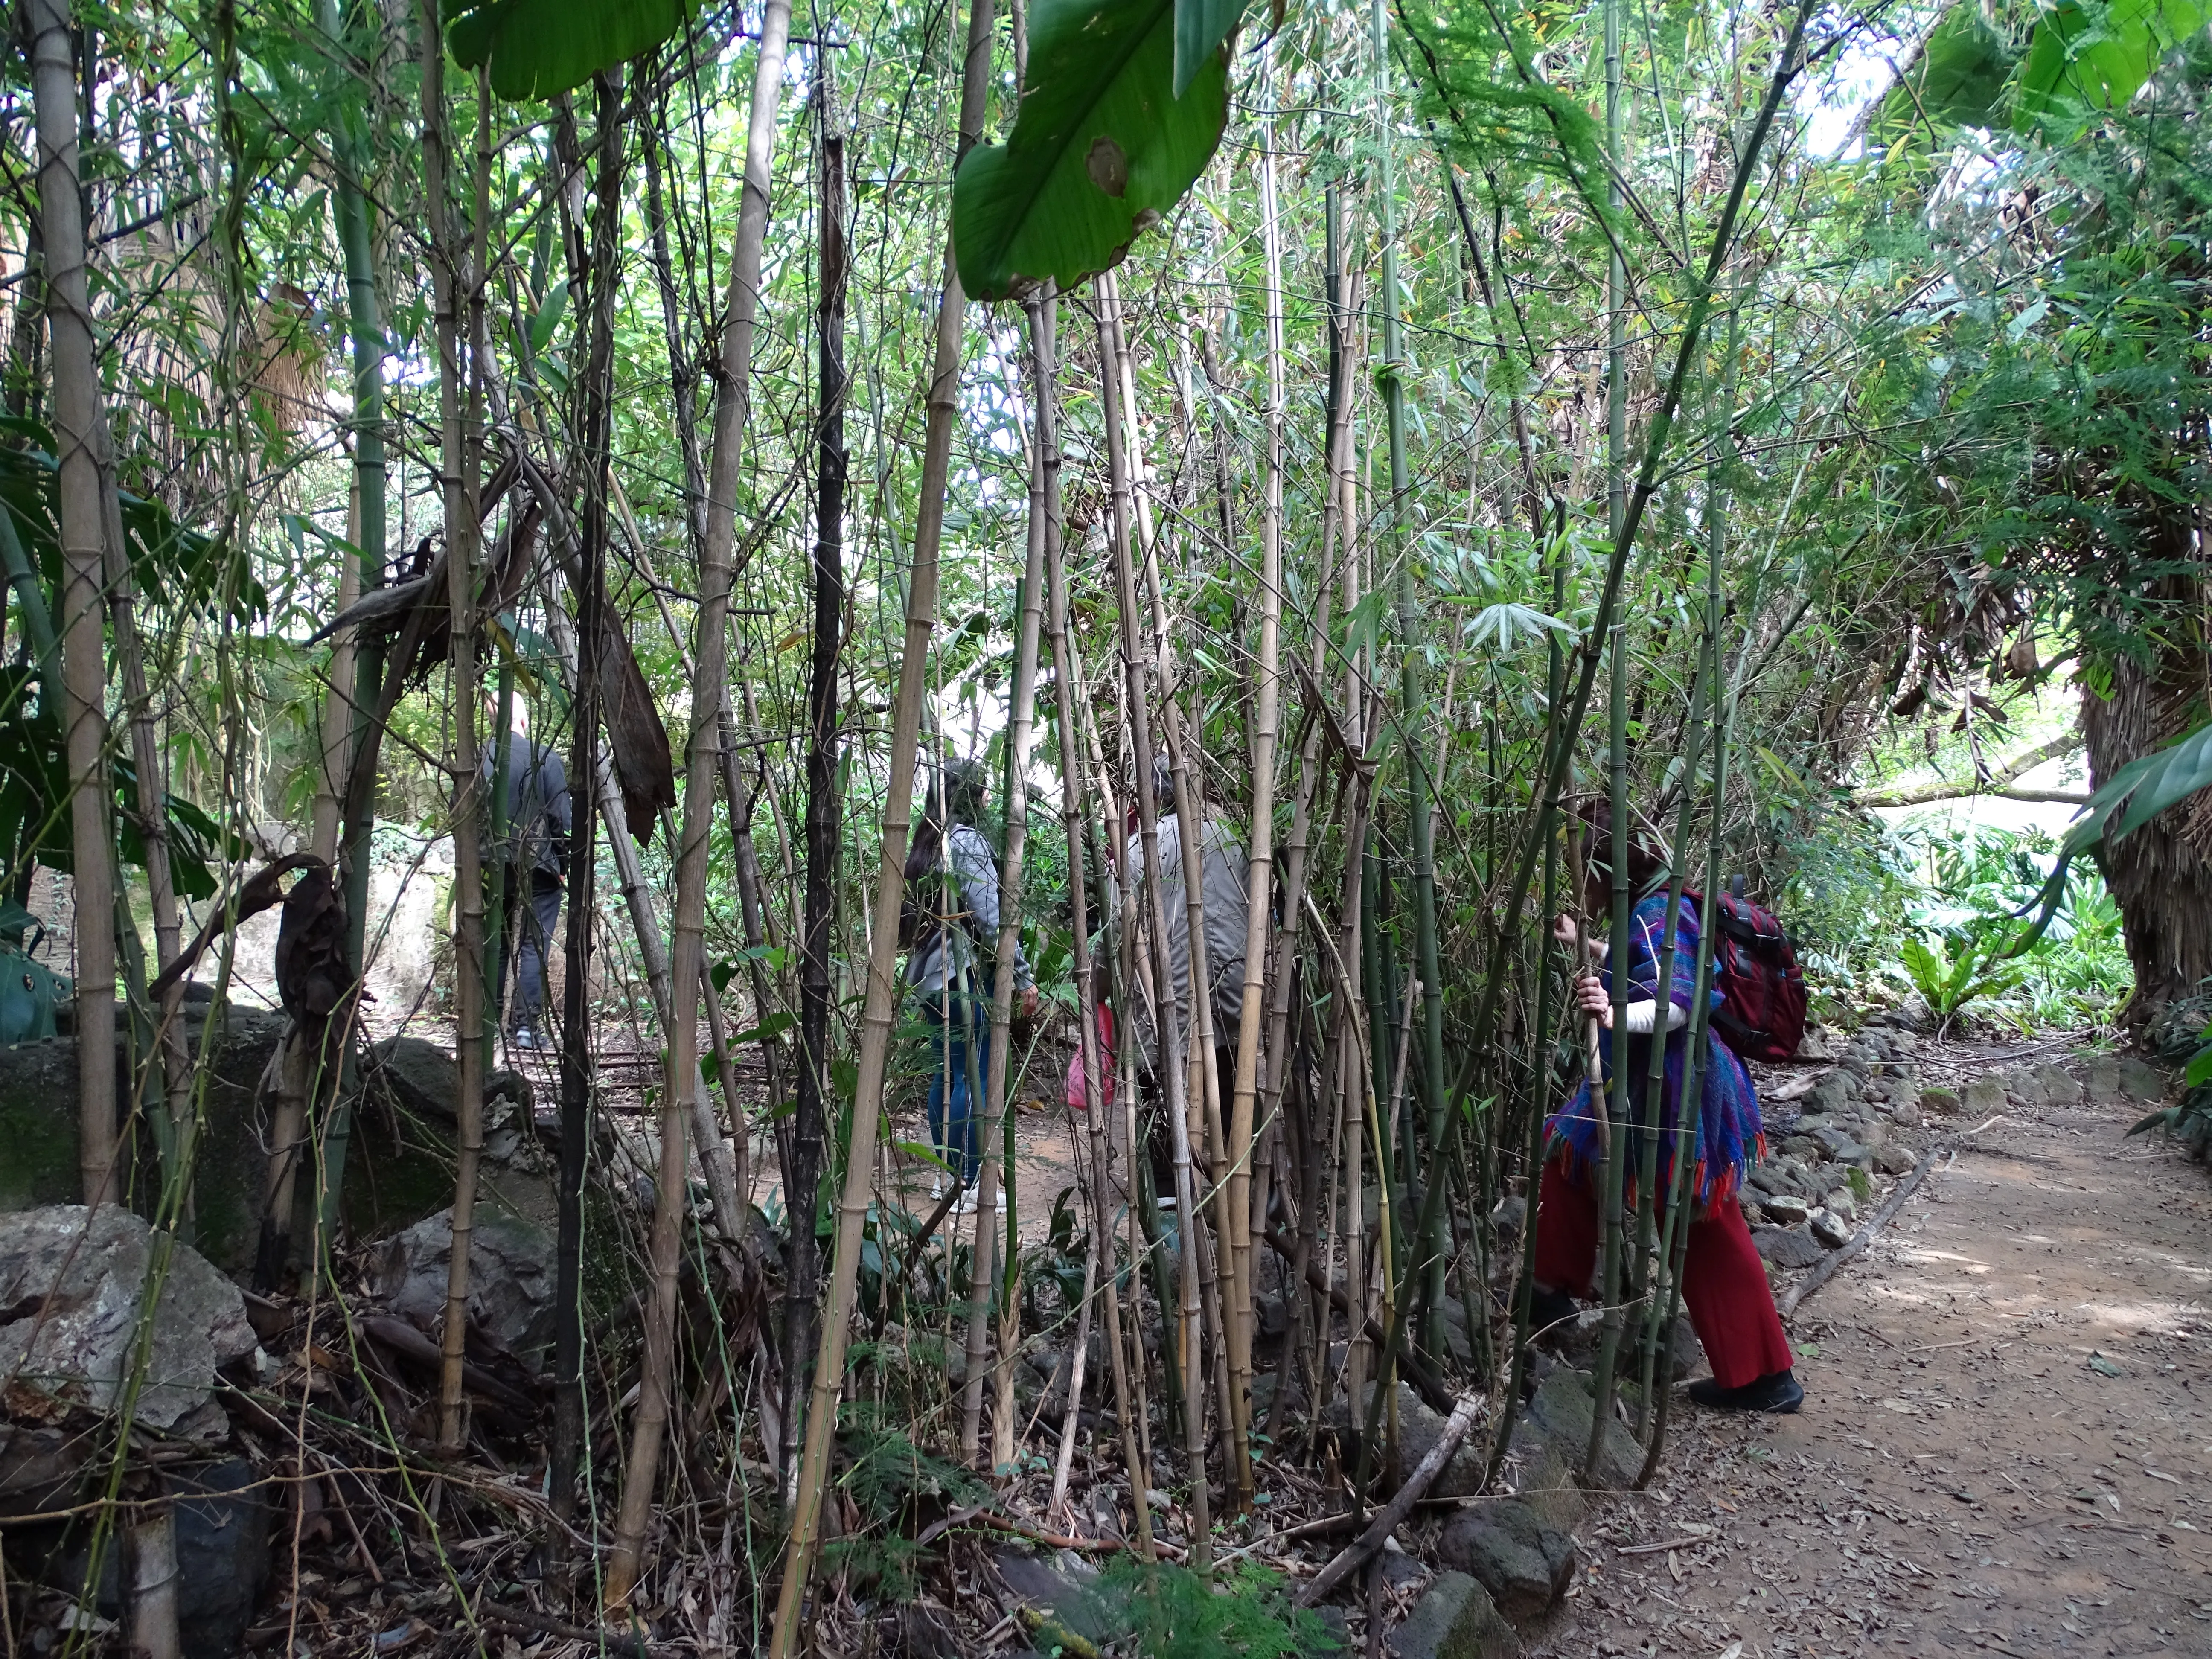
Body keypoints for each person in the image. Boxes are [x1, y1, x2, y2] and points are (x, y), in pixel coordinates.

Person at [1531, 816, 1802, 1414]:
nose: (1580, 883)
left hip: (1677, 1091)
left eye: (1583, 869)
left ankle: (1764, 1376)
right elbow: (1645, 965)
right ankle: (1550, 1289)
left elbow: (1677, 1002)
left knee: (1700, 1222)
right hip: (1655, 1083)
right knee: (1571, 1153)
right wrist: (1590, 948)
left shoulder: (1658, 910)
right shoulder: (1655, 907)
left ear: (1608, 867)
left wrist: (1611, 1015)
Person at [902, 754, 1036, 1211]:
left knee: (947, 1073)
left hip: (927, 979)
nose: (987, 801)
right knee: (968, 1074)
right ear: (969, 796)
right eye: (982, 792)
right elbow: (991, 919)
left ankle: (948, 1177)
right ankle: (967, 1180)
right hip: (957, 976)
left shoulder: (927, 840)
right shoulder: (965, 842)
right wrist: (1023, 977)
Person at [1123, 756, 1248, 1186]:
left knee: (1160, 1085)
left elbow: (1119, 929)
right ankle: (1236, 1183)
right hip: (1232, 985)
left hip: (1166, 993)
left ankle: (1168, 1190)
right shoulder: (1233, 841)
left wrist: (1100, 984)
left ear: (1154, 795)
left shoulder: (1141, 849)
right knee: (1229, 1081)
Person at [482, 698, 571, 1052]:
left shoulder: (477, 758)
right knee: (534, 945)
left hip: (488, 863)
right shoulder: (544, 756)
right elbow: (561, 818)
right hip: (538, 863)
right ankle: (525, 1028)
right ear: (522, 718)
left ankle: (487, 1025)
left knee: (497, 942)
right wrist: (564, 865)